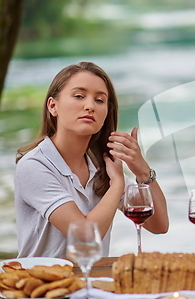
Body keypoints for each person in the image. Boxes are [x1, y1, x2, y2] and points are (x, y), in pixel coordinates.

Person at [15, 62, 169, 258]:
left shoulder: (102, 167)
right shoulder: (34, 166)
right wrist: (118, 184)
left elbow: (159, 224)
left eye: (99, 100)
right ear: (53, 106)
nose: (90, 106)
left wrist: (142, 172)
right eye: (79, 96)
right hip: (43, 285)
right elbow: (85, 238)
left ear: (106, 112)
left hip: (92, 284)